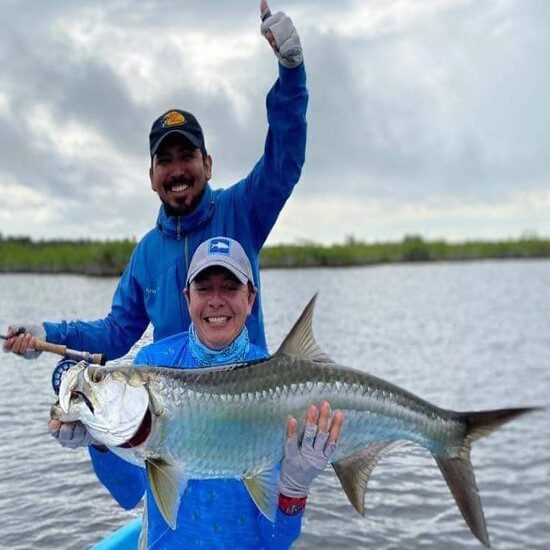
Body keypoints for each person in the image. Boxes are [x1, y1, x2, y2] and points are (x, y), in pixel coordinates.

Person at [3, 0, 307, 359]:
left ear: (207, 165)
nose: (177, 170)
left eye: (187, 156)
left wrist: (292, 71)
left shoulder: (242, 209)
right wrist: (45, 334)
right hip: (176, 408)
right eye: (165, 160)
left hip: (243, 396)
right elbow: (116, 333)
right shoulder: (147, 254)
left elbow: (283, 160)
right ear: (151, 177)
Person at [49, 237, 344, 549]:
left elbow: (276, 540)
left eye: (230, 287)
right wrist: (101, 445)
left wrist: (294, 487)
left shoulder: (276, 377)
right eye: (204, 288)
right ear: (187, 296)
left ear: (250, 298)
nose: (216, 300)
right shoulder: (152, 362)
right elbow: (128, 495)